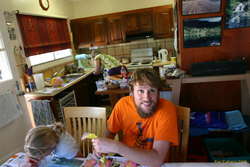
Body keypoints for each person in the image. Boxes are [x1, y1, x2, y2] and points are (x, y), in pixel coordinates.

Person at [90, 69, 179, 167]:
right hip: (126, 162)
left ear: (158, 93)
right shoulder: (122, 105)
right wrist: (101, 148)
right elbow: (110, 132)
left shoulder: (167, 109)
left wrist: (116, 147)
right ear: (131, 92)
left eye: (152, 90)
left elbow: (157, 159)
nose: (147, 98)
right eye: (141, 91)